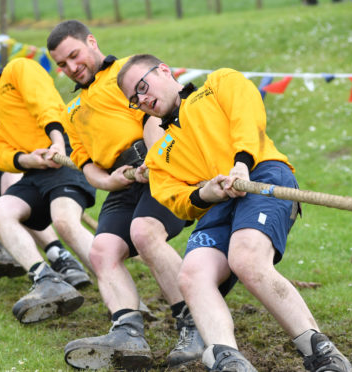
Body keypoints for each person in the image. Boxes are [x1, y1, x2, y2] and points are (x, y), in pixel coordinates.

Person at [116, 54, 352, 372]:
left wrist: (241, 162)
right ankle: (228, 360)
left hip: (262, 176)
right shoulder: (160, 153)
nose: (142, 99)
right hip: (216, 205)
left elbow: (248, 116)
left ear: (163, 70)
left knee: (246, 260)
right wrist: (205, 193)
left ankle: (322, 353)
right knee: (191, 274)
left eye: (142, 87)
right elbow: (174, 198)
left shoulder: (217, 83)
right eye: (135, 99)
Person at [46, 20, 225, 370]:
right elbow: (86, 165)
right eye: (62, 64)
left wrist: (153, 157)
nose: (71, 67)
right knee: (102, 250)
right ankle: (127, 330)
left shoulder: (126, 73)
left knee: (144, 232)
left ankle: (195, 323)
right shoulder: (71, 110)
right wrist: (109, 181)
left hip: (163, 164)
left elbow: (158, 112)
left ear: (91, 42)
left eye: (74, 55)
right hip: (122, 180)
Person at [0, 48, 96, 323]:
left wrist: (57, 143)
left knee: (65, 222)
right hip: (36, 170)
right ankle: (46, 279)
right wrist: (28, 160)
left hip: (66, 152)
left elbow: (45, 104)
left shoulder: (17, 70)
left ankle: (128, 304)